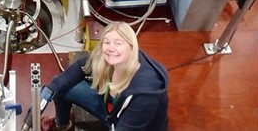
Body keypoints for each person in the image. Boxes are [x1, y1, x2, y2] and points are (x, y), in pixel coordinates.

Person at [39, 22, 168, 131]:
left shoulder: (146, 96)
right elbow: (81, 66)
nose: (110, 48)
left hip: (123, 124)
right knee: (61, 86)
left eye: (118, 43)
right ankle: (63, 126)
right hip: (107, 110)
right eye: (106, 42)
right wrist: (50, 89)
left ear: (131, 47)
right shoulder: (107, 58)